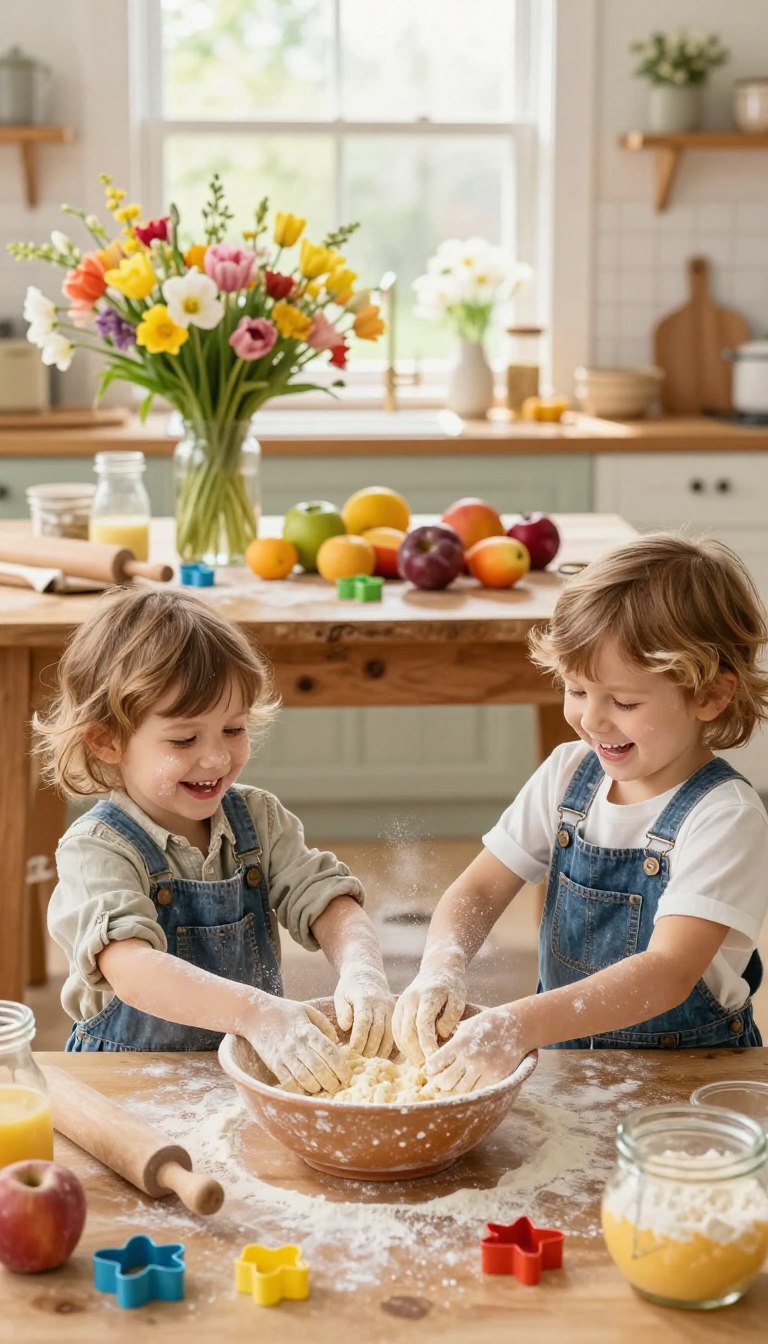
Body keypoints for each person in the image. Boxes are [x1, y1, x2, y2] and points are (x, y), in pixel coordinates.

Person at [393, 533, 768, 1094]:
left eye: (624, 702)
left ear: (709, 695)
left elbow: (665, 974)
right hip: (569, 1063)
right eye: (574, 689)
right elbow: (479, 890)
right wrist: (440, 968)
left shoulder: (725, 816)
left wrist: (515, 1022)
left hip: (689, 1079)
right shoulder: (570, 774)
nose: (592, 720)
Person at [39, 587, 394, 1094]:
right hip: (127, 1083)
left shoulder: (258, 819)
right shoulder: (97, 848)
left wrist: (363, 972)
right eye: (184, 740)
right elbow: (133, 970)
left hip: (244, 1067)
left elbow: (325, 900)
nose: (217, 758)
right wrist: (259, 1014)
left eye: (233, 728)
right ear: (107, 739)